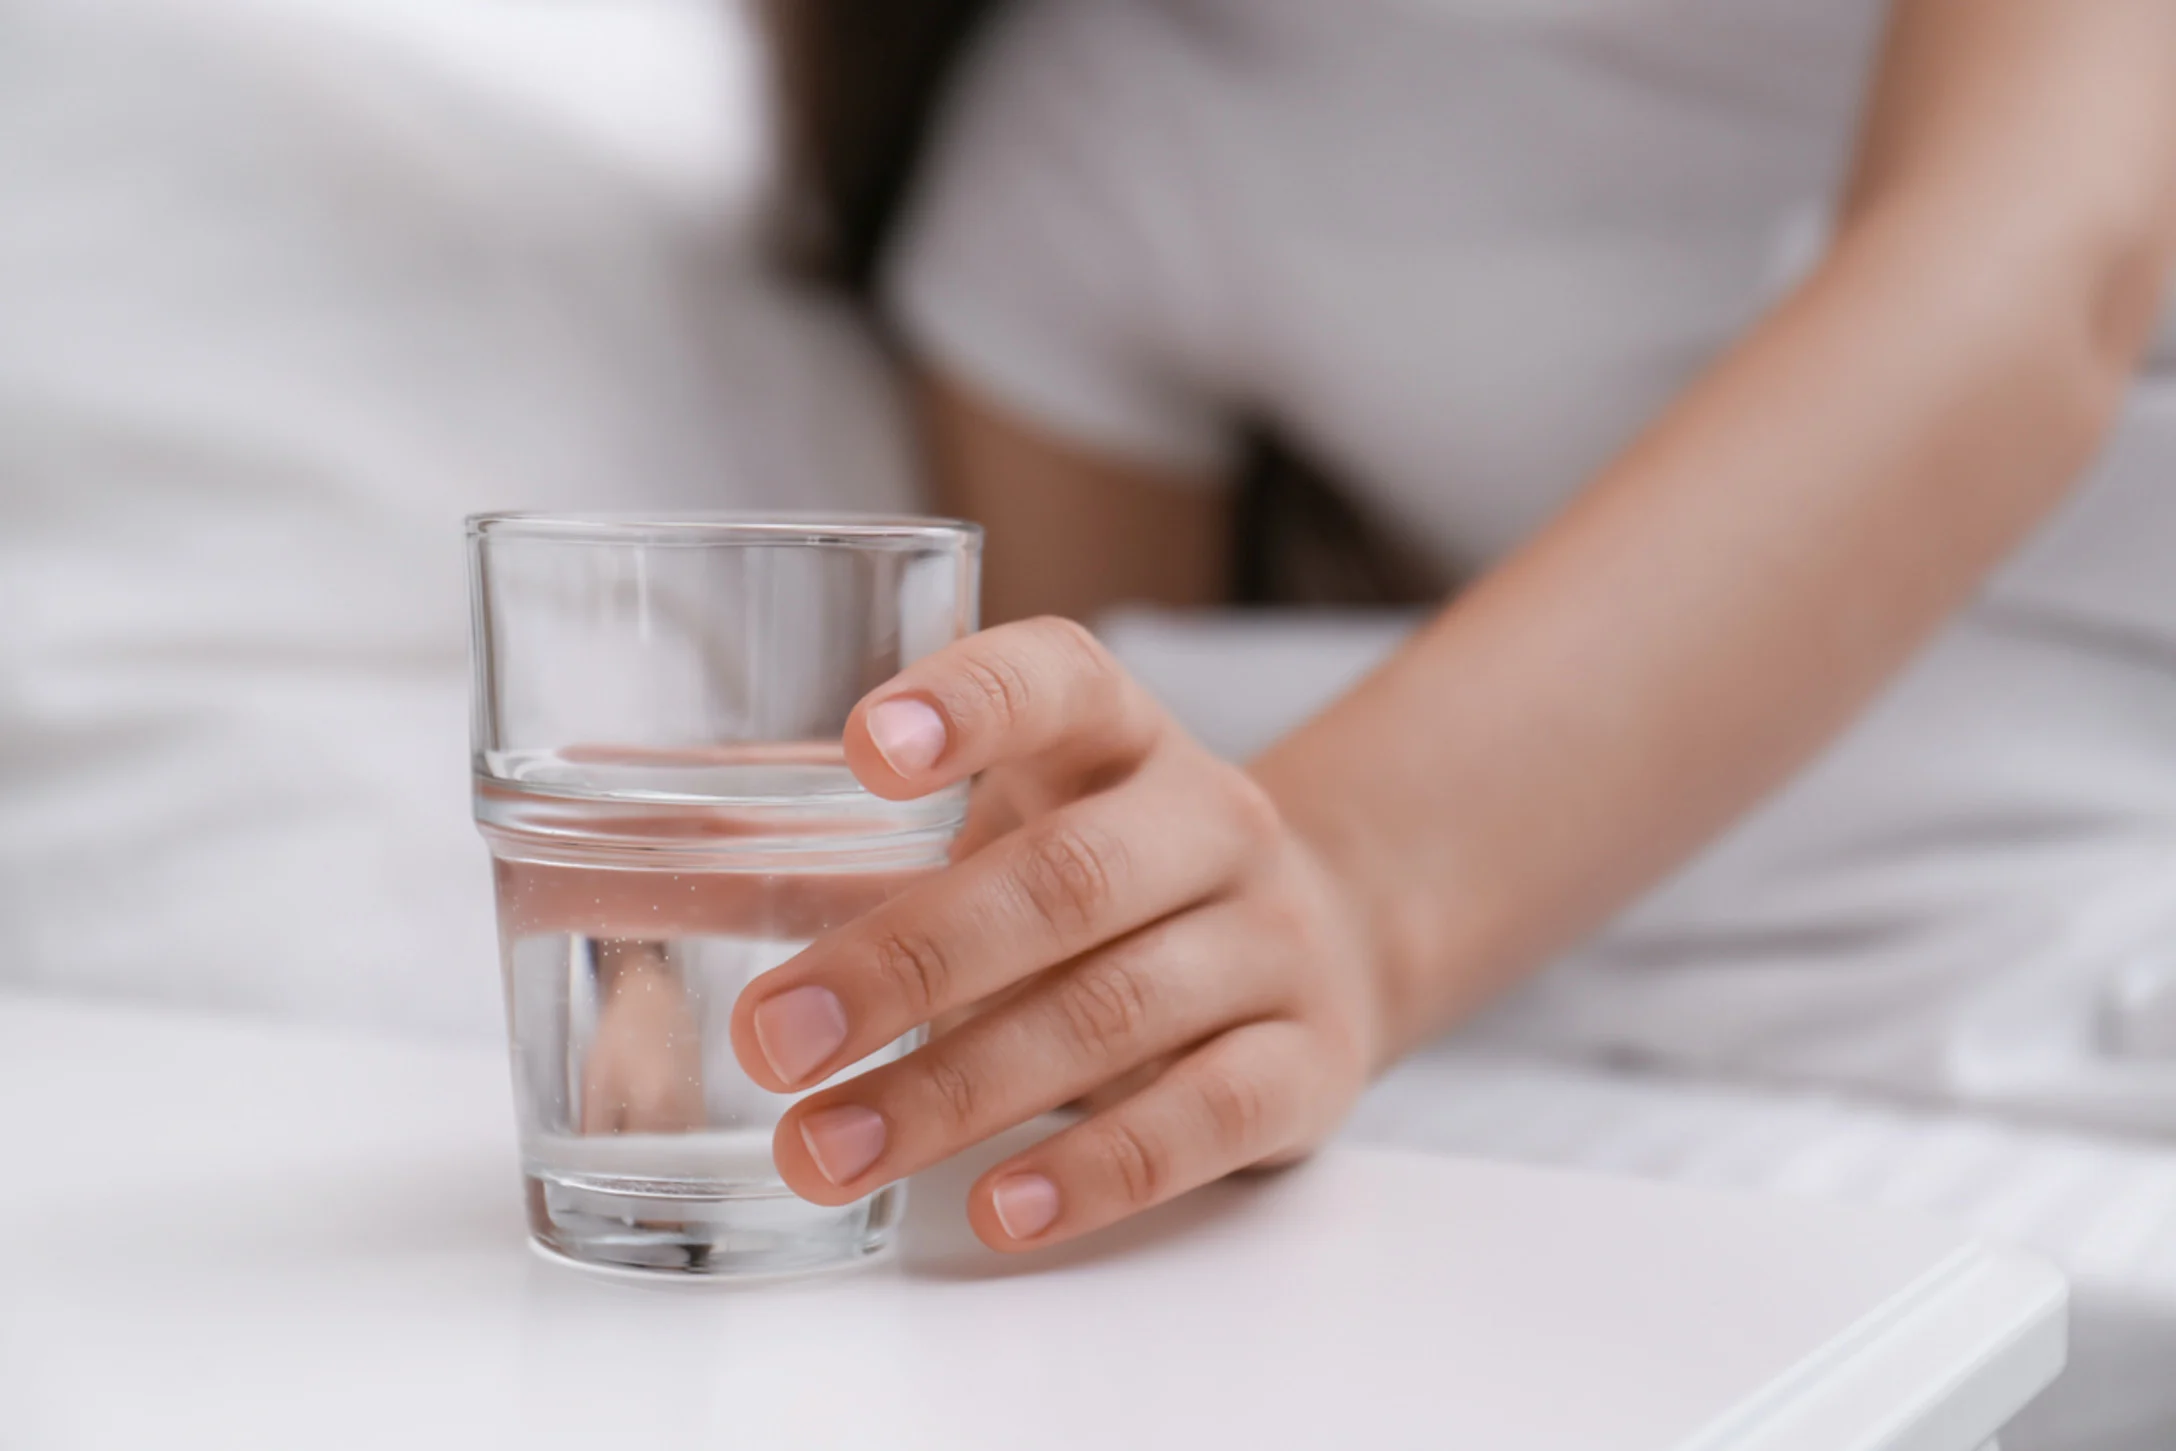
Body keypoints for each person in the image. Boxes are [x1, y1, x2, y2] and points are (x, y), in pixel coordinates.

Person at [720, 0, 2176, 1262]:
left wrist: (1351, 886)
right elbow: (1076, 807)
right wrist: (1175, 948)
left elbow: (2046, 256)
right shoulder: (1106, 127)